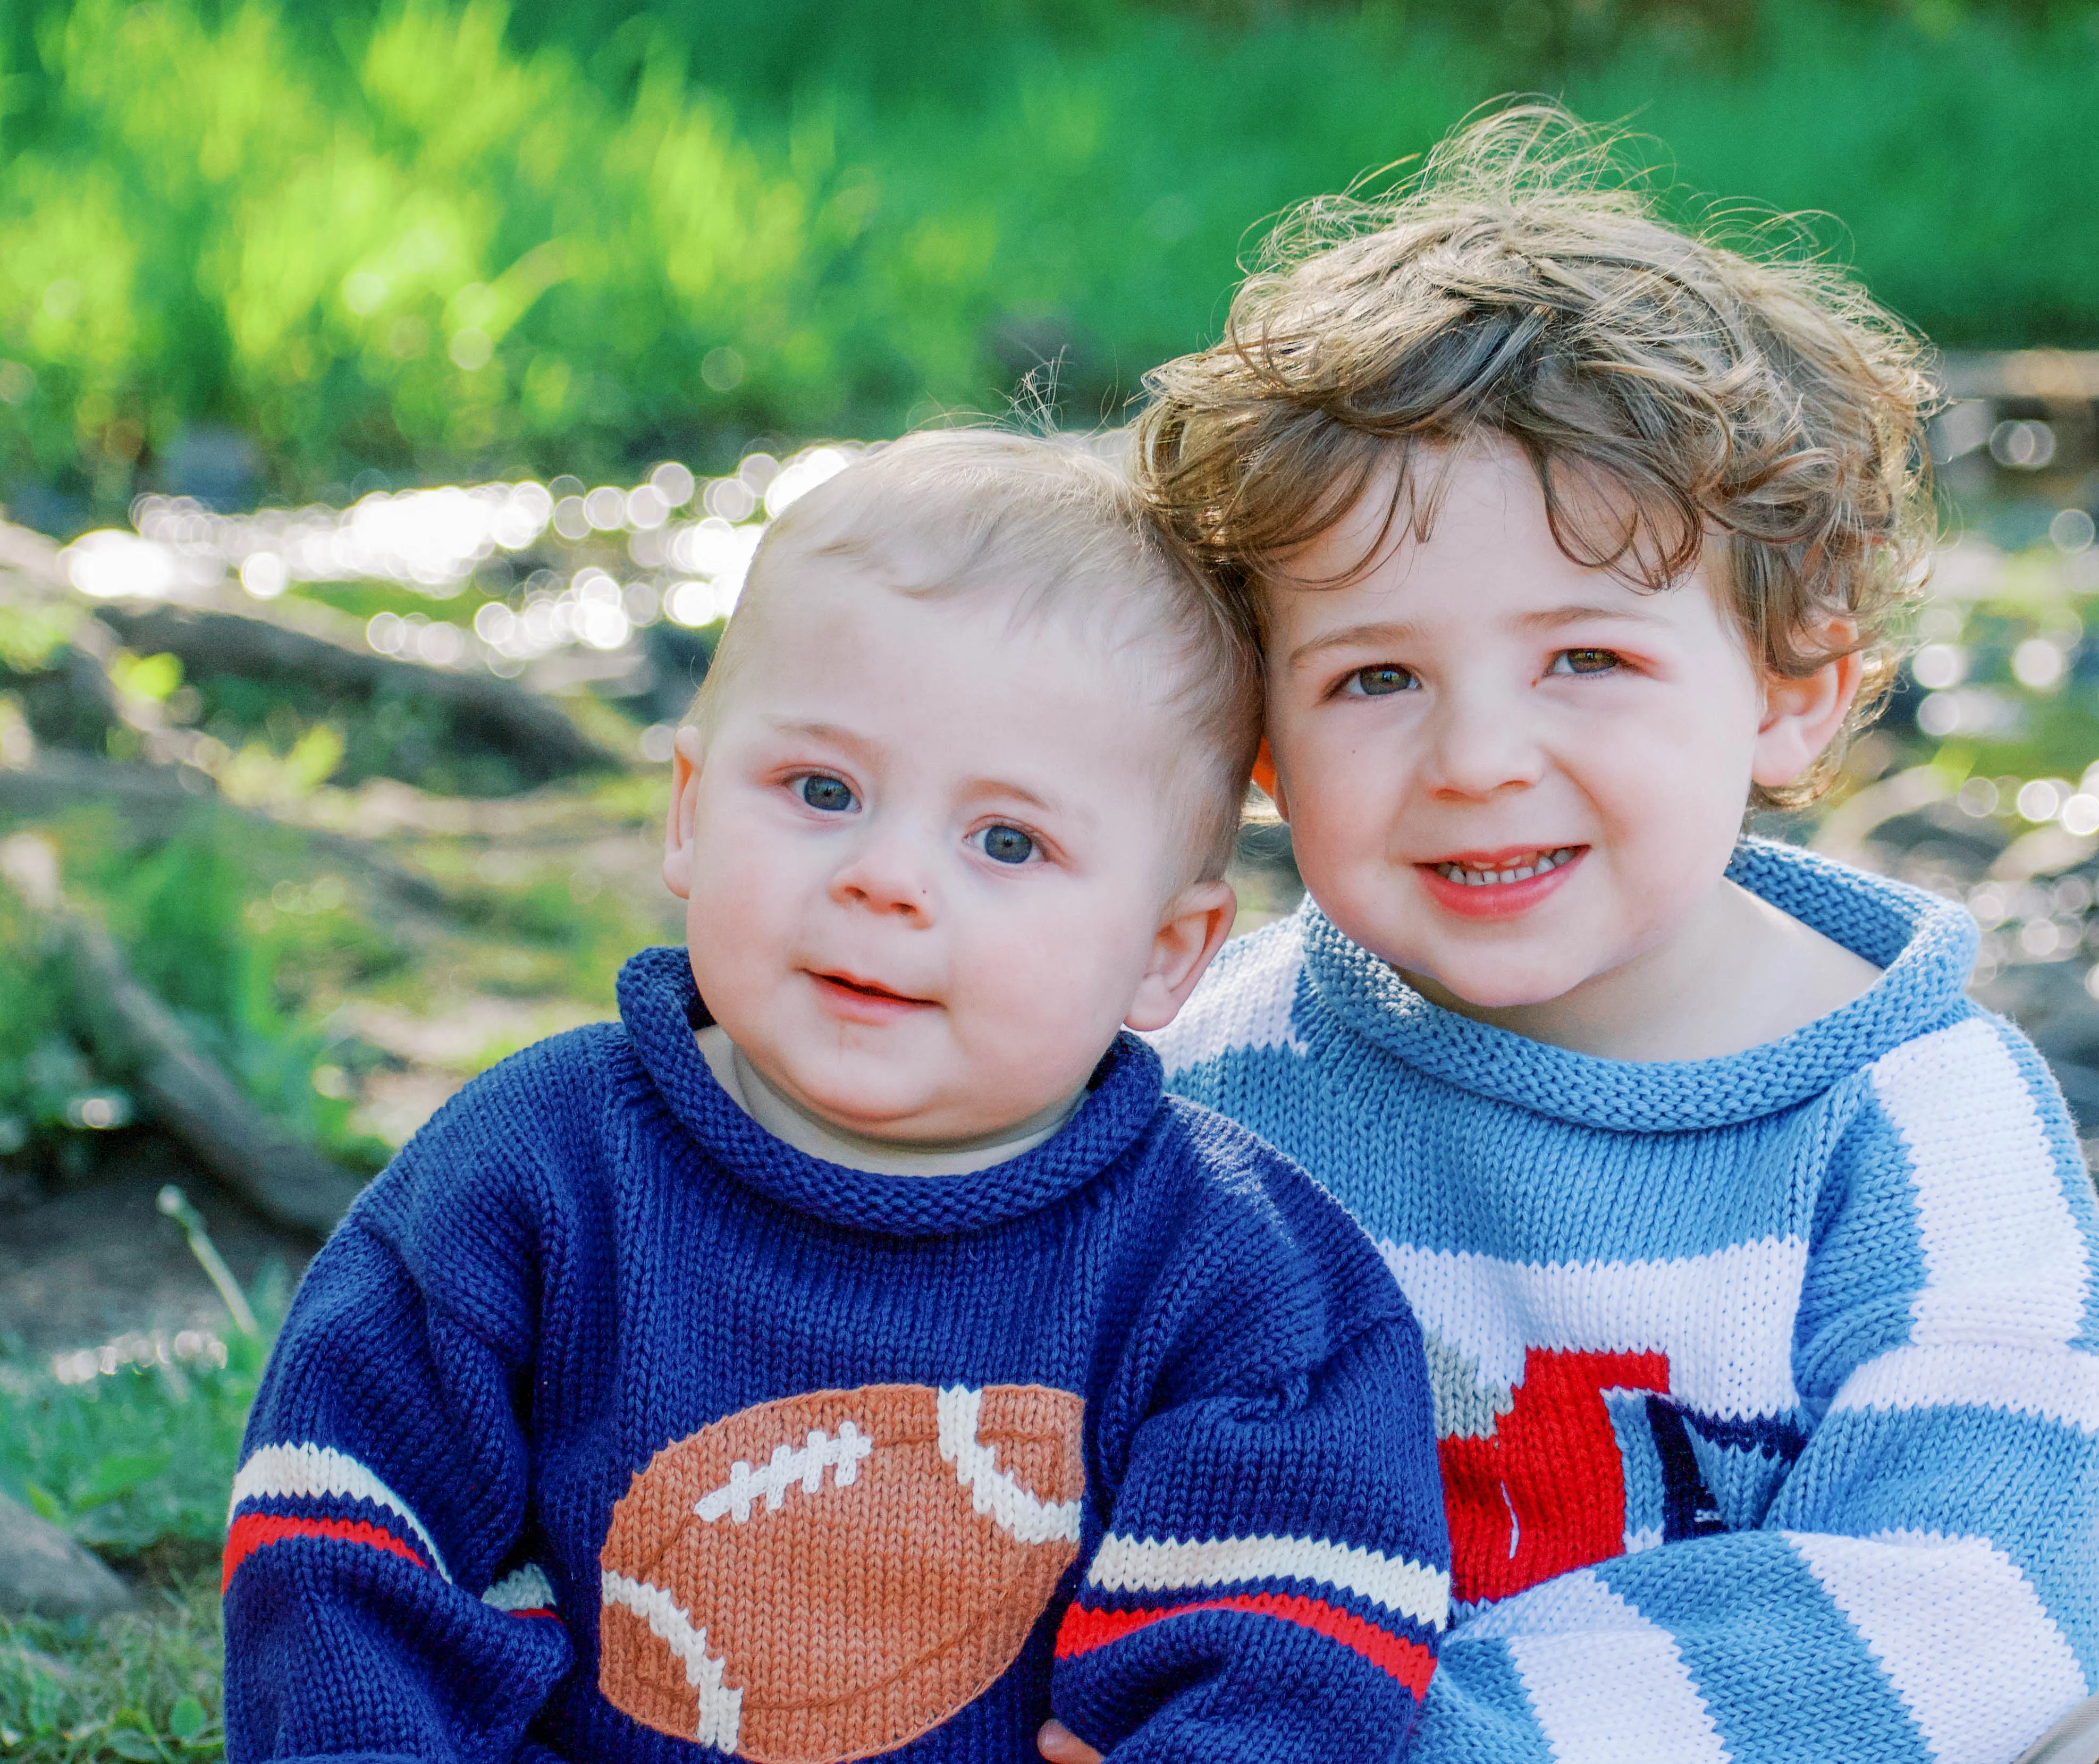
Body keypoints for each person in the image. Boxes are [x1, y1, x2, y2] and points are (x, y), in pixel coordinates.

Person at [1046, 107, 2099, 1764]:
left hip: (1853, 1728)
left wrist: (1397, 1741)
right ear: (1260, 746)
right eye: (1375, 678)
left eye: (1586, 661)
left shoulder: (1917, 1111)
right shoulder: (1222, 1080)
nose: (1478, 756)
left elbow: (1977, 1600)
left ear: (1789, 692)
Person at [219, 431, 1452, 1764]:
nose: (887, 879)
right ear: (688, 810)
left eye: (1006, 841)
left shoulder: (1232, 1274)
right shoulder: (531, 1176)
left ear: (1166, 951)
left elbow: (1293, 1643)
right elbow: (345, 1540)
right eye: (823, 791)